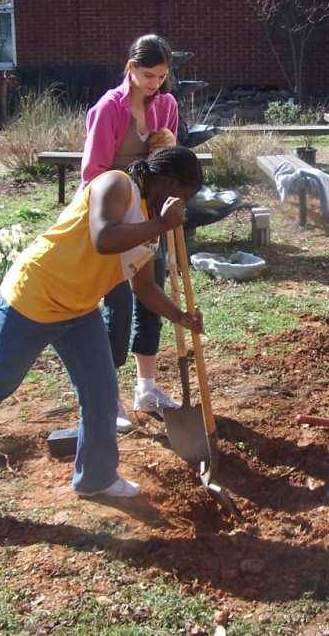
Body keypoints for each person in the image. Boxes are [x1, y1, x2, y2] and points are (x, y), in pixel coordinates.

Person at [0, 146, 204, 511]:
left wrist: (180, 316)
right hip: (34, 298)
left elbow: (143, 286)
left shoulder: (150, 222)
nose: (184, 207)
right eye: (184, 196)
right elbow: (104, 238)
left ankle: (96, 477)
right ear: (168, 182)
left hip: (80, 309)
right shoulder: (118, 185)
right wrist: (162, 225)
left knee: (100, 392)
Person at [79, 33, 182, 433]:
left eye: (161, 76)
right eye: (148, 75)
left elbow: (169, 165)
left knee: (151, 301)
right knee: (118, 310)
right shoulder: (109, 109)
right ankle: (108, 398)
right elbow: (92, 175)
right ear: (131, 68)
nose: (155, 84)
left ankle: (147, 389)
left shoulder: (167, 105)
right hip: (116, 222)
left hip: (150, 218)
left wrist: (166, 153)